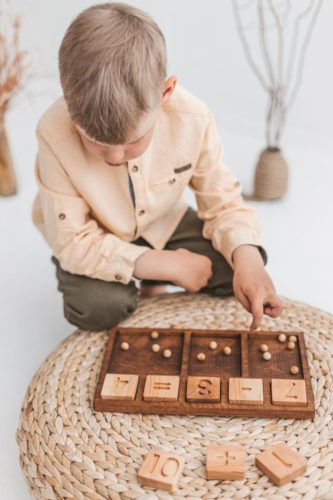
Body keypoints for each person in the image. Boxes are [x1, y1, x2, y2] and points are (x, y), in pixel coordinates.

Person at [32, 2, 284, 332]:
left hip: (165, 224)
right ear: (66, 96)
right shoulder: (53, 133)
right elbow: (72, 239)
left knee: (236, 265)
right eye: (95, 142)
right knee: (97, 309)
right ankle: (140, 275)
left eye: (134, 141)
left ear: (165, 93)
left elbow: (222, 201)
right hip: (95, 237)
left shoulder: (194, 119)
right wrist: (165, 265)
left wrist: (248, 259)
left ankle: (151, 275)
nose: (114, 158)